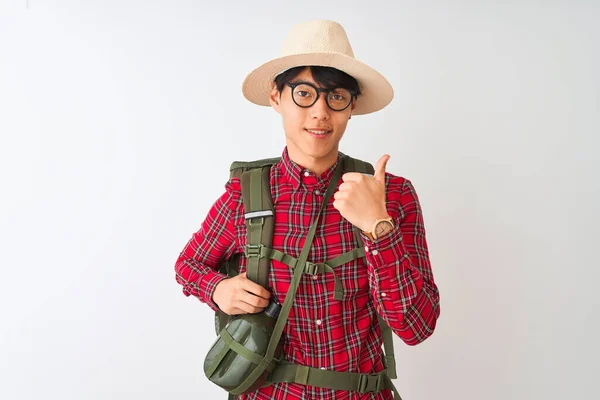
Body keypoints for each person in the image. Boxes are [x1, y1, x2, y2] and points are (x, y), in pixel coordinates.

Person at [174, 19, 440, 400]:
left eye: (336, 97)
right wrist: (218, 288)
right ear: (276, 98)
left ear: (351, 108)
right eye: (304, 93)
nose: (319, 112)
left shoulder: (391, 194)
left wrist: (378, 228)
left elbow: (417, 327)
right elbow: (188, 265)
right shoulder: (247, 193)